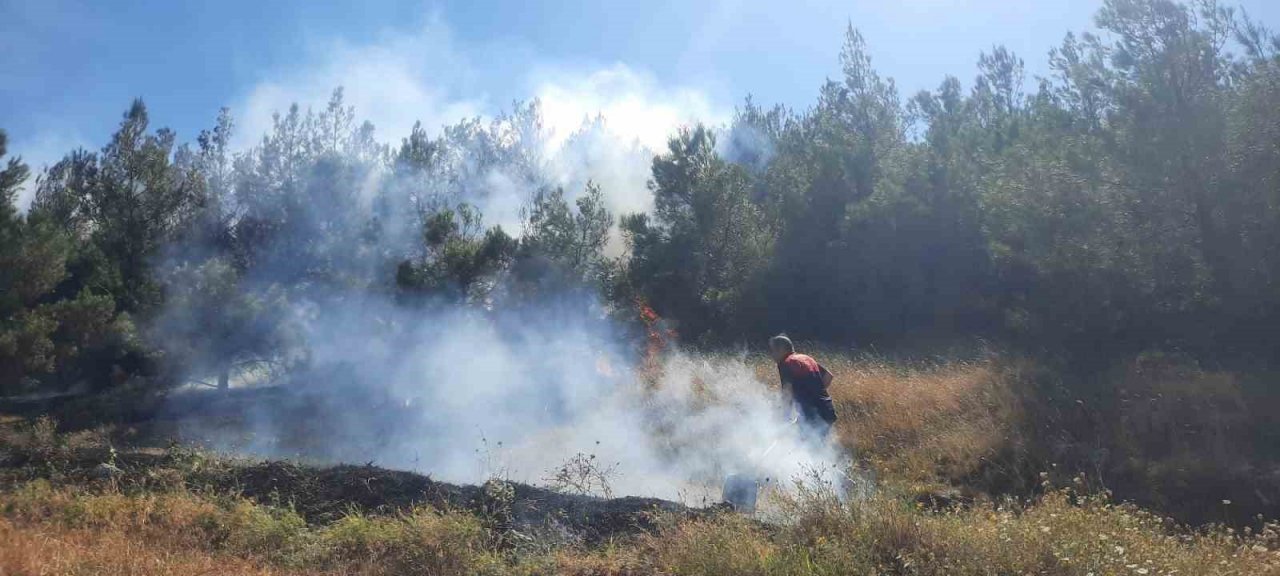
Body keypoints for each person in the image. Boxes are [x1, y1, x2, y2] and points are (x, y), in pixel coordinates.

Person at [769, 334, 837, 445]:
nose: (772, 355)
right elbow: (828, 376)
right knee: (818, 448)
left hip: (812, 415)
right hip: (827, 410)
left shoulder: (786, 363)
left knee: (803, 448)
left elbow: (787, 393)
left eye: (773, 351)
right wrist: (813, 395)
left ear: (781, 349)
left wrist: (784, 420)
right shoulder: (806, 359)